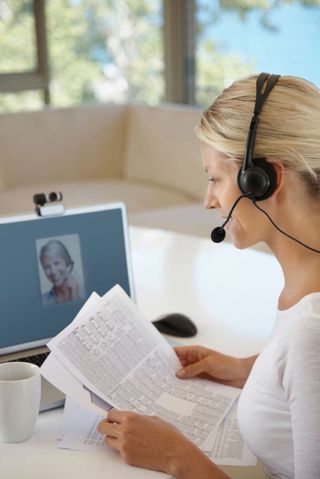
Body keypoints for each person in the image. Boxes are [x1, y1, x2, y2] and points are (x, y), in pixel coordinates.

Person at [97, 73, 320, 479]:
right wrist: (250, 369)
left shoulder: (311, 333)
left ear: (263, 179)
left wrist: (176, 458)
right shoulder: (307, 294)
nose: (208, 200)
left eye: (215, 178)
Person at [39, 239, 84, 305]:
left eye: (56, 263)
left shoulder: (85, 295)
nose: (53, 271)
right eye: (47, 267)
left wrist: (75, 298)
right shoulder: (43, 300)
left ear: (67, 262)